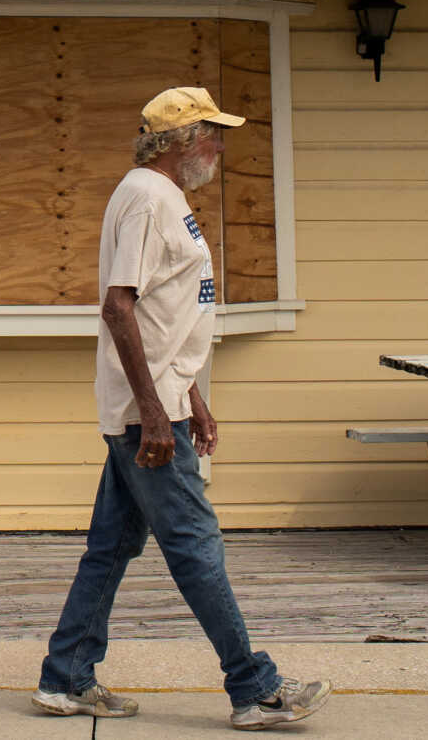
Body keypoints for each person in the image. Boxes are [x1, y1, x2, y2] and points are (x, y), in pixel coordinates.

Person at [35, 87, 330, 730]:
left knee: (110, 548)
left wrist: (189, 394)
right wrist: (155, 410)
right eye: (212, 134)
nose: (221, 146)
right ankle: (255, 690)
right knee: (196, 546)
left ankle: (66, 679)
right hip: (147, 414)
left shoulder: (163, 197)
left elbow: (167, 314)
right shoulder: (147, 196)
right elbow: (119, 306)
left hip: (158, 403)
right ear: (180, 140)